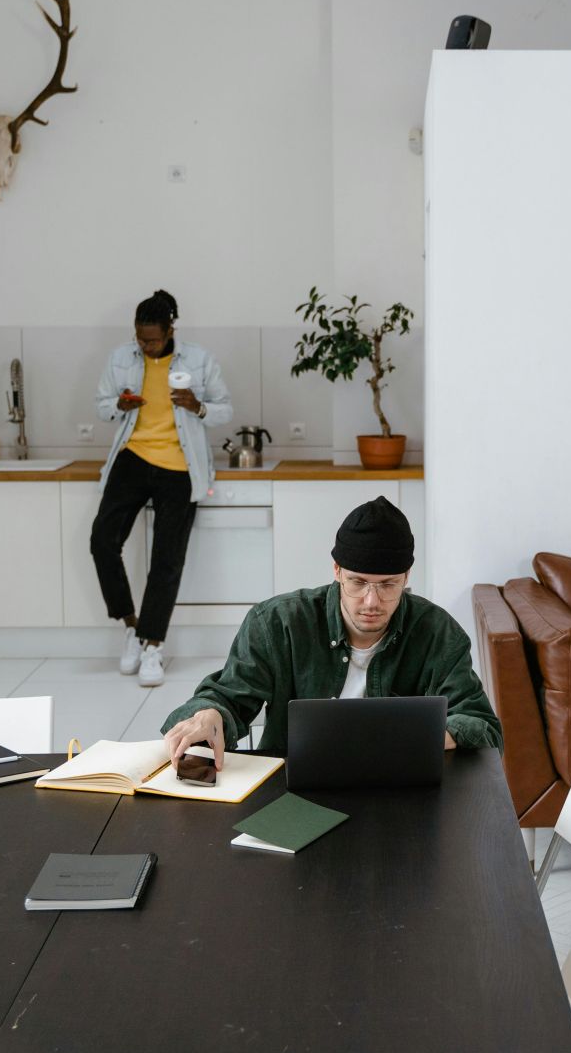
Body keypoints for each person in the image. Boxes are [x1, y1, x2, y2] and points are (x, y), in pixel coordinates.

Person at [162, 496, 500, 768]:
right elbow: (229, 698)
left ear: (406, 577)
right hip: (295, 782)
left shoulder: (438, 632)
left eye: (387, 585)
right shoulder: (278, 622)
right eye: (358, 582)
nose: (372, 601)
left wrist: (426, 737)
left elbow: (483, 726)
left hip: (398, 787)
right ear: (337, 570)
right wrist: (208, 715)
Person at [91, 289, 232, 687]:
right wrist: (120, 405)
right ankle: (132, 625)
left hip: (180, 466)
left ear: (171, 329)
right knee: (102, 540)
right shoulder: (121, 358)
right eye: (140, 338)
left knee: (167, 560)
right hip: (133, 458)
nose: (145, 345)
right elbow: (101, 405)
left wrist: (197, 406)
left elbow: (225, 410)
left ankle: (153, 644)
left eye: (152, 338)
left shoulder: (199, 360)